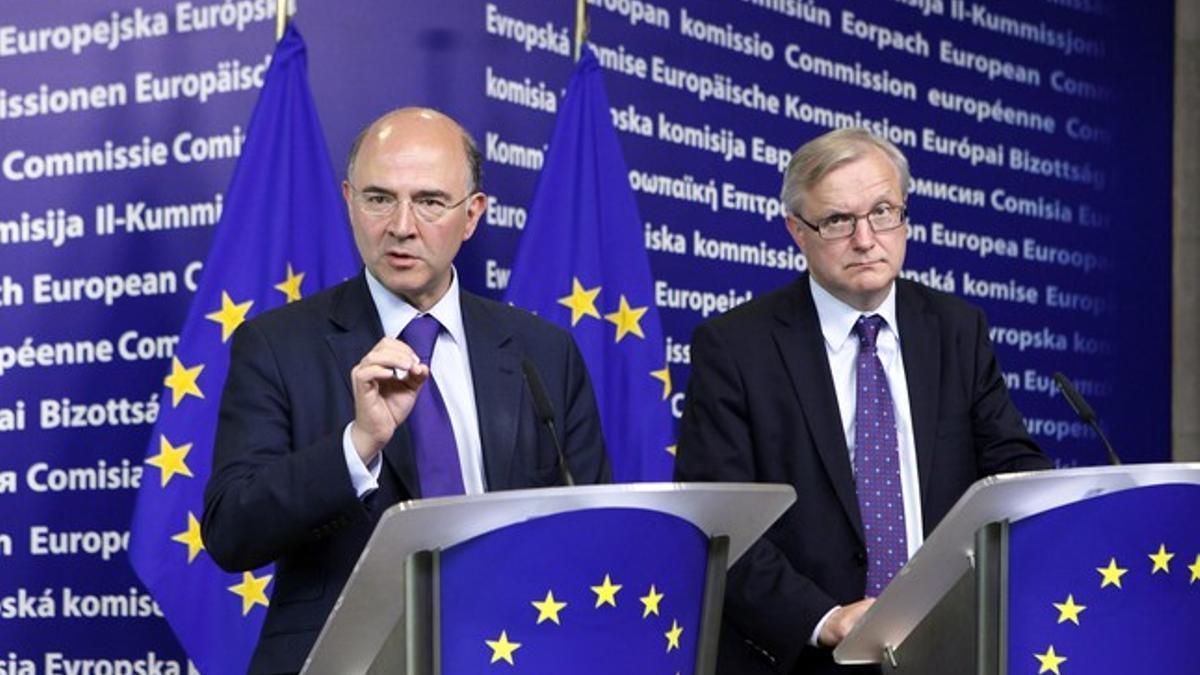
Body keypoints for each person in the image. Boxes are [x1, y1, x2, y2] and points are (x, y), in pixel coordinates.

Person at [202, 107, 610, 673]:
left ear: (472, 216)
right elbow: (230, 531)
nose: (401, 225)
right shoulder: (277, 345)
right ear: (348, 200)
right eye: (378, 198)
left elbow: (591, 530)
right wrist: (357, 445)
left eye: (430, 201)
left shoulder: (542, 352)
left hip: (515, 652)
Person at [674, 128, 1052, 674]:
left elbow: (1011, 468)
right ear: (797, 232)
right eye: (837, 221)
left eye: (882, 212)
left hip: (949, 646)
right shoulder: (735, 347)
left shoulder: (956, 330)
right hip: (804, 656)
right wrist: (825, 619)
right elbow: (723, 526)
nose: (866, 238)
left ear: (904, 217)